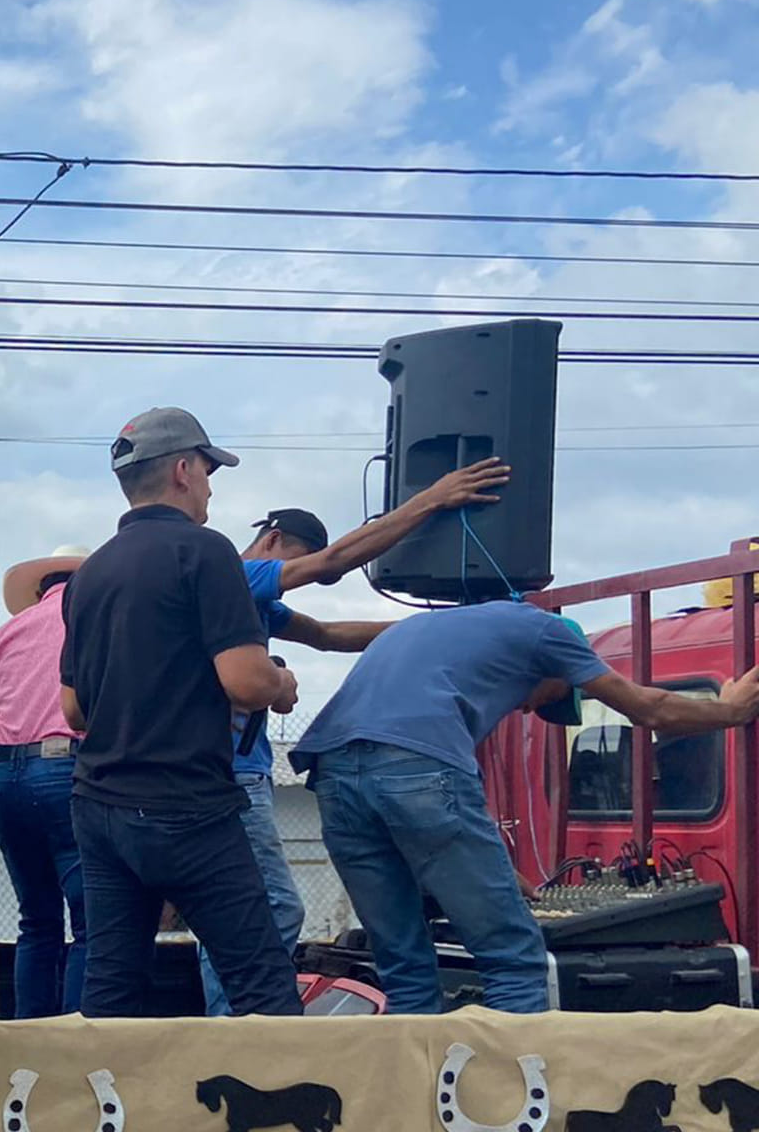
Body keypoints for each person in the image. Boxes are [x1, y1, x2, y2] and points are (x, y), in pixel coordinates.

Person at [291, 601, 759, 1015]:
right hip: (415, 763)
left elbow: (400, 784)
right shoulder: (547, 631)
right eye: (555, 696)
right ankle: (517, 1085)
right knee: (513, 960)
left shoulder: (434, 630)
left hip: (332, 772)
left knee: (403, 967)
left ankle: (411, 1085)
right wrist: (731, 711)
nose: (528, 710)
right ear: (559, 666)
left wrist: (488, 865)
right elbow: (650, 710)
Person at [197, 457, 512, 1014]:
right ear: (272, 541)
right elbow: (333, 561)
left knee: (233, 911)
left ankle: (235, 1021)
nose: (302, 577)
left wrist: (433, 628)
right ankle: (243, 1026)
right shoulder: (236, 578)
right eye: (295, 563)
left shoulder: (254, 602)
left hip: (228, 771)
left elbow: (327, 634)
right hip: (231, 776)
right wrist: (432, 498)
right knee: (274, 908)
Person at [58, 408, 302, 1018]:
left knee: (112, 985)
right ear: (184, 470)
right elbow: (246, 682)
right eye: (209, 473)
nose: (211, 489)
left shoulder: (89, 575)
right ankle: (280, 1083)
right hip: (186, 803)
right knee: (261, 983)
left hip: (99, 805)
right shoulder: (205, 551)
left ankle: (101, 1084)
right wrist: (280, 683)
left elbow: (74, 709)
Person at [0, 545, 89, 1019]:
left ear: (40, 590)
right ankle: (77, 1042)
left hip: (5, 777)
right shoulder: (94, 623)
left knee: (36, 921)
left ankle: (28, 1038)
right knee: (91, 922)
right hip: (66, 768)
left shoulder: (2, 637)